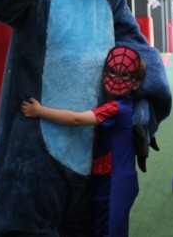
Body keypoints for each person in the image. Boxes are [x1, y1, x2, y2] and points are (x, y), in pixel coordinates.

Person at [22, 46, 146, 237]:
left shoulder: (116, 108)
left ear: (136, 84)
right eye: (112, 72)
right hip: (110, 178)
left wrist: (40, 111)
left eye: (125, 75)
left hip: (116, 181)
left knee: (110, 230)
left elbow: (77, 119)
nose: (116, 78)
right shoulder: (123, 104)